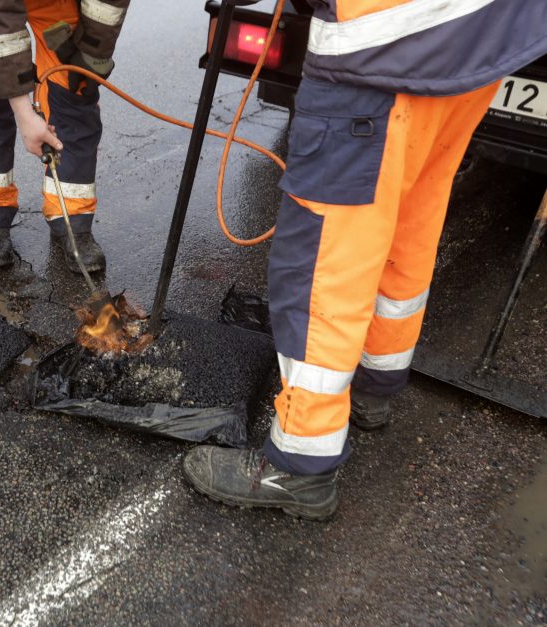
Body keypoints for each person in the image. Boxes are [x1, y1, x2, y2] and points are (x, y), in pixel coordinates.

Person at [183, 0, 547, 520]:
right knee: (409, 219)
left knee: (323, 260)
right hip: (478, 36)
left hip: (378, 46)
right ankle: (375, 385)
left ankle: (301, 466)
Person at [0, 0, 130, 271]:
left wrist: (91, 50)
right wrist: (23, 111)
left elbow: (107, 7)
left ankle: (72, 219)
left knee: (74, 87)